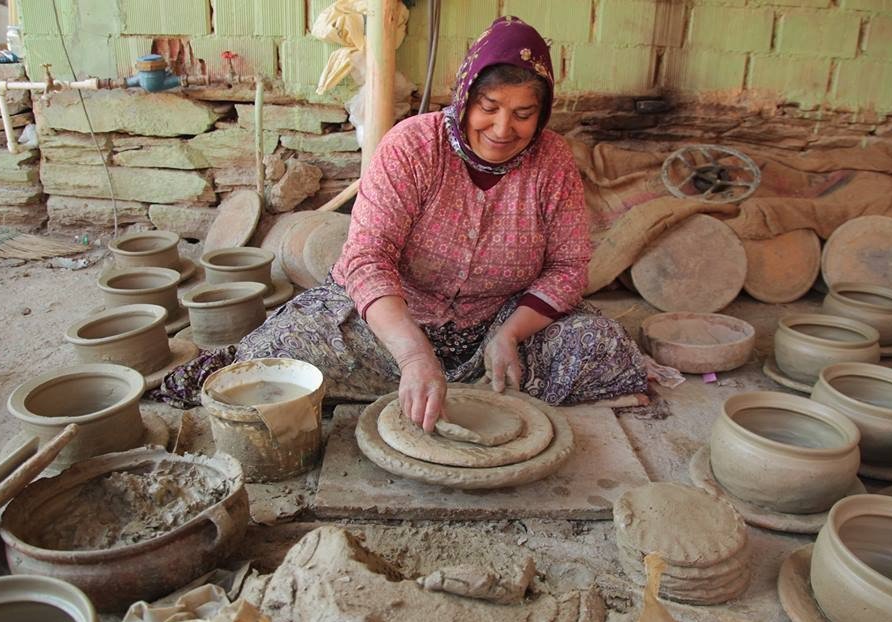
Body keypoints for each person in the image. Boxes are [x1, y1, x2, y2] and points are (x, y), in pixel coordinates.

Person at [154, 16, 647, 427]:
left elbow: (567, 267)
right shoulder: (413, 145)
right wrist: (413, 355)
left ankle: (460, 379)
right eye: (489, 108)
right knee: (278, 353)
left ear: (542, 115)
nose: (502, 129)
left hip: (499, 319)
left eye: (523, 114)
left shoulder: (552, 161)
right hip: (393, 324)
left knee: (601, 348)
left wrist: (510, 335)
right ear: (466, 96)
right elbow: (366, 258)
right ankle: (433, 381)